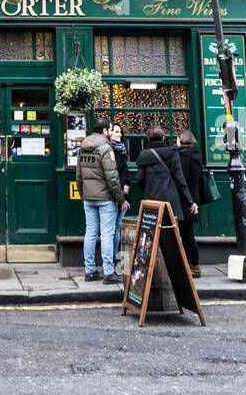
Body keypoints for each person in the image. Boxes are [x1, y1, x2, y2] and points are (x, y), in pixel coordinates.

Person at [75, 115, 126, 284]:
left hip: (88, 197)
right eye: (109, 129)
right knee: (107, 234)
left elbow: (79, 176)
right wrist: (120, 199)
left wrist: (83, 194)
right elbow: (112, 178)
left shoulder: (82, 148)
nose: (110, 132)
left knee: (90, 233)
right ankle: (109, 272)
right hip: (105, 198)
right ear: (104, 131)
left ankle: (89, 271)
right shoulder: (106, 148)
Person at [136, 125, 198, 236]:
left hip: (151, 201)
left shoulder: (143, 155)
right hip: (171, 201)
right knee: (171, 236)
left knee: (152, 234)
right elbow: (180, 179)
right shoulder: (172, 153)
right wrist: (190, 201)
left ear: (148, 139)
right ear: (163, 138)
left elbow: (139, 179)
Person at [174, 128, 204, 277]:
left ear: (183, 140)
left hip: (183, 199)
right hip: (193, 199)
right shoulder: (196, 156)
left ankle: (192, 265)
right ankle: (193, 263)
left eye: (177, 138)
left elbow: (179, 180)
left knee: (184, 233)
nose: (175, 142)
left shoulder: (181, 157)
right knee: (188, 232)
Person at [107, 122, 130, 266]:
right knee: (112, 230)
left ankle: (115, 258)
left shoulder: (122, 150)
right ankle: (112, 259)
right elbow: (111, 174)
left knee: (117, 228)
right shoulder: (108, 151)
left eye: (120, 132)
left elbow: (125, 171)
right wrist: (121, 189)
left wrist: (127, 184)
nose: (119, 134)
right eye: (116, 132)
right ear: (109, 133)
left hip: (123, 194)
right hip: (114, 195)